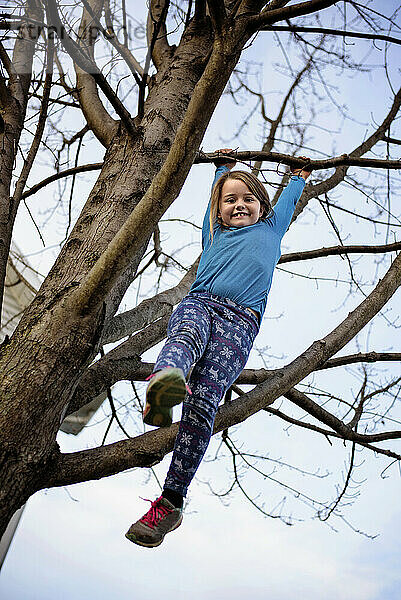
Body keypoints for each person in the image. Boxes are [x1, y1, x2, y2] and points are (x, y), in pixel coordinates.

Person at [125, 150, 311, 547]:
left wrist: (297, 175)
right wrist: (221, 170)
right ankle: (166, 387)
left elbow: (290, 197)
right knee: (184, 339)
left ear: (263, 206)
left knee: (206, 398)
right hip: (202, 303)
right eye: (230, 199)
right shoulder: (215, 233)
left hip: (240, 322)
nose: (239, 204)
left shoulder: (272, 229)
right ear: (219, 210)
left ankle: (170, 502)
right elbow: (217, 192)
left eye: (248, 198)